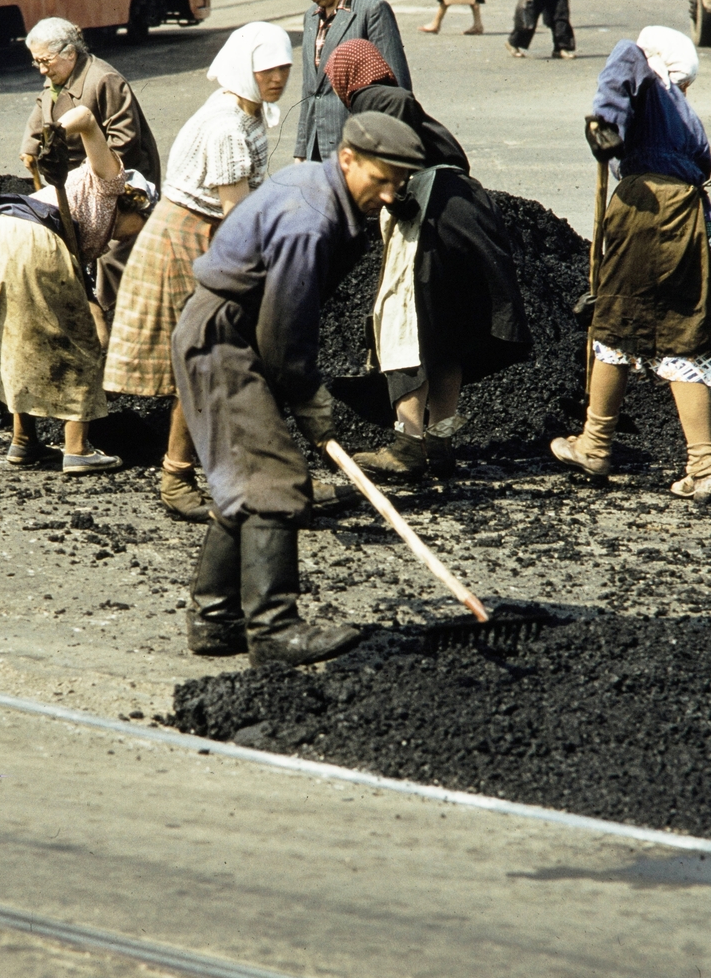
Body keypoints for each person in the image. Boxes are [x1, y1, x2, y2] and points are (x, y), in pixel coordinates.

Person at [174, 113, 423, 666]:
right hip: (224, 338)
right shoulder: (309, 219)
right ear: (348, 159)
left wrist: (297, 387)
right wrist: (310, 399)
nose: (386, 197)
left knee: (248, 476)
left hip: (230, 329)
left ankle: (215, 619)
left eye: (398, 186)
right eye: (379, 180)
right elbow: (283, 331)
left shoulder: (314, 182)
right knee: (274, 477)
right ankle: (274, 631)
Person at [103, 23, 293, 518]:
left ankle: (228, 468)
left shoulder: (247, 113)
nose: (278, 77)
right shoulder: (227, 126)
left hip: (205, 235)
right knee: (201, 360)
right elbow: (237, 215)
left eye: (284, 67)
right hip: (185, 241)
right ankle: (176, 478)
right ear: (243, 69)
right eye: (267, 68)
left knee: (213, 359)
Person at [552, 26, 711, 505]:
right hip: (688, 221)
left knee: (613, 325)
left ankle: (594, 446)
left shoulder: (645, 70)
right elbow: (701, 165)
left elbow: (624, 60)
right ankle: (703, 464)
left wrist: (606, 122)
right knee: (681, 334)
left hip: (645, 213)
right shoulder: (686, 114)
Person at [0, 108, 157, 475]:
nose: (135, 235)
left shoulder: (84, 231)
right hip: (32, 240)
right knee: (78, 342)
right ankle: (77, 449)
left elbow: (91, 301)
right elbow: (86, 118)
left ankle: (24, 443)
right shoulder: (111, 181)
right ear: (135, 203)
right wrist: (56, 135)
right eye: (141, 225)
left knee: (19, 344)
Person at [348, 141, 531, 482]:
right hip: (466, 206)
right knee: (447, 334)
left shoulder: (371, 93)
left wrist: (397, 195)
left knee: (403, 325)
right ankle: (440, 444)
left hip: (426, 204)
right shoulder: (419, 117)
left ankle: (407, 446)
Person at [17, 18, 161, 316]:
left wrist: (87, 177)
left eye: (46, 61)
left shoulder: (103, 80)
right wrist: (30, 146)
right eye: (37, 63)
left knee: (112, 259)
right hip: (77, 187)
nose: (42, 70)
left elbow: (124, 140)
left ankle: (115, 316)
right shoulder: (57, 78)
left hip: (119, 187)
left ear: (70, 53)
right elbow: (43, 109)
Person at [291, 0, 412, 164]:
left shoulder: (371, 10)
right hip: (317, 151)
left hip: (359, 148)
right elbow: (310, 89)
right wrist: (301, 151)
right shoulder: (311, 17)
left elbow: (398, 89)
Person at [324, 38, 470, 172]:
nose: (335, 88)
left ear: (344, 75)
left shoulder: (374, 98)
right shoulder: (369, 100)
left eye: (333, 80)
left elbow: (401, 100)